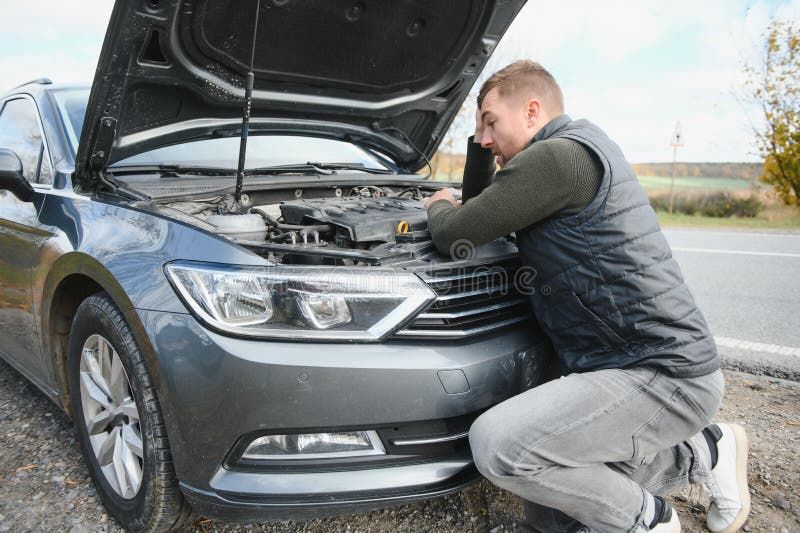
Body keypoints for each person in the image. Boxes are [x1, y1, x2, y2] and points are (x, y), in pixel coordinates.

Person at [423, 60, 751, 533]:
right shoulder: (571, 148)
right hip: (629, 363)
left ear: (533, 111)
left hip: (662, 374)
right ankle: (708, 451)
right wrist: (481, 135)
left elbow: (459, 230)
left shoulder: (556, 158)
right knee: (555, 504)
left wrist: (436, 205)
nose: (486, 140)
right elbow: (479, 207)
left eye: (491, 123)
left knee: (501, 446)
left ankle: (648, 520)